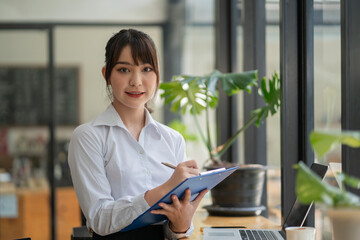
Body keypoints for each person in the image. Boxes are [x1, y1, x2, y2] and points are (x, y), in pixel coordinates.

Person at [68, 28, 208, 239]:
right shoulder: (88, 136)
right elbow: (99, 219)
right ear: (107, 74)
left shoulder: (172, 139)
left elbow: (178, 229)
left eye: (146, 69)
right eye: (124, 70)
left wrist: (180, 225)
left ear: (157, 75)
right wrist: (165, 189)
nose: (136, 81)